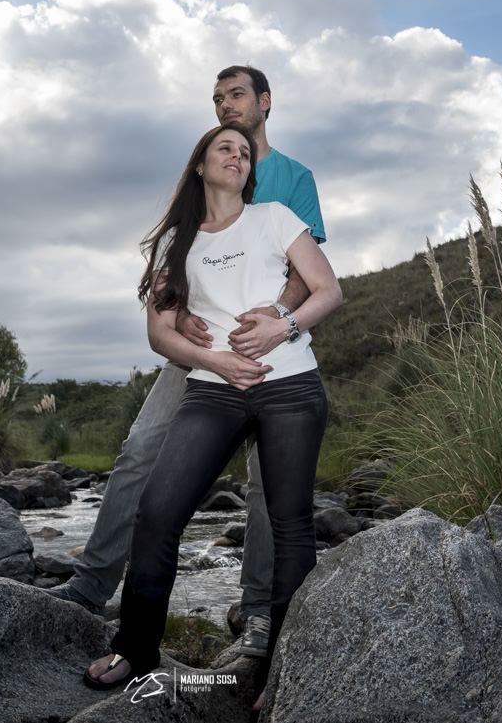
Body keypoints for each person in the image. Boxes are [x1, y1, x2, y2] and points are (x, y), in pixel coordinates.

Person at [47, 66, 325, 659]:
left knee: (265, 489)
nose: (226, 106)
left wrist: (272, 321)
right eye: (218, 99)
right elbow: (177, 279)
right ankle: (93, 584)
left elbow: (309, 272)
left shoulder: (292, 179)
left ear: (265, 102)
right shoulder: (201, 187)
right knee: (139, 455)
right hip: (197, 360)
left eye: (237, 96)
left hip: (271, 355)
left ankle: (256, 617)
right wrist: (186, 322)